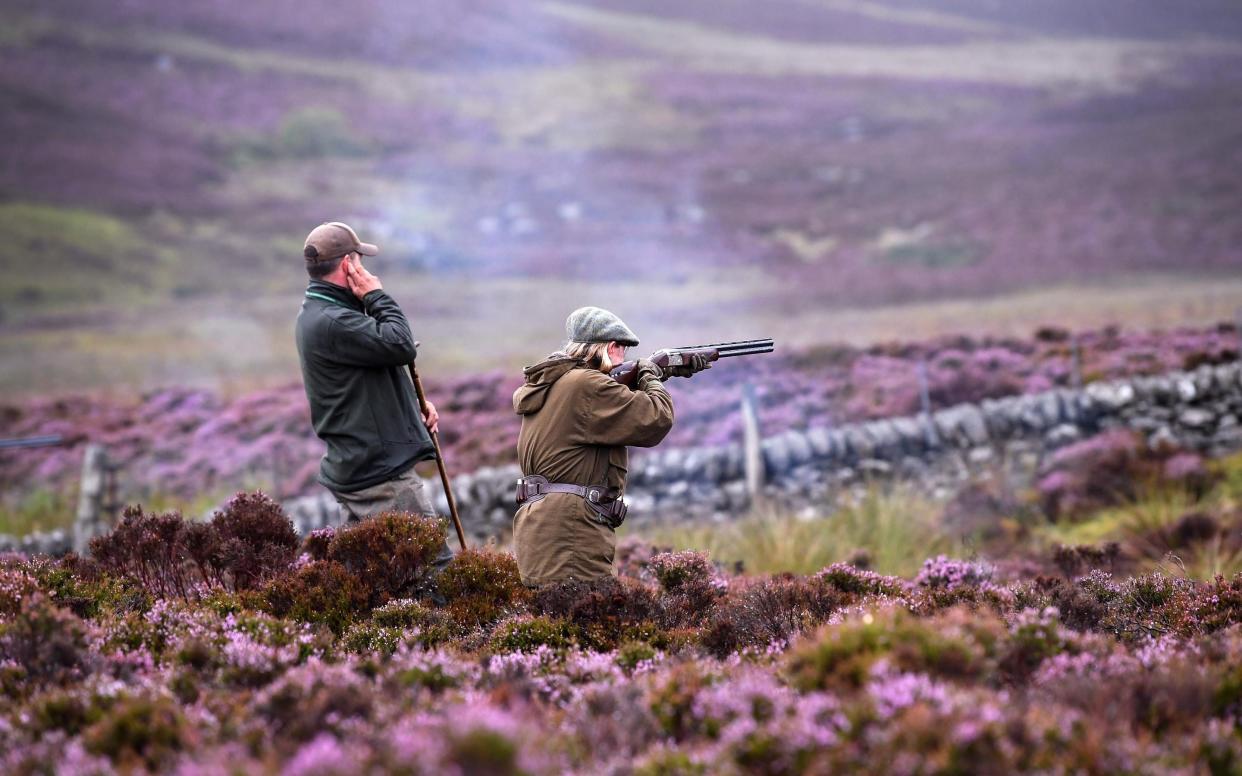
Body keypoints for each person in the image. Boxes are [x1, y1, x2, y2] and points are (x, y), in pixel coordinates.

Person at [294, 221, 453, 571]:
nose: (365, 269)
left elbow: (368, 370)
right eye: (359, 260)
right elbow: (399, 345)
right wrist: (376, 296)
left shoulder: (321, 313)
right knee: (433, 572)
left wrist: (410, 409)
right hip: (383, 480)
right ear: (349, 265)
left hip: (360, 469)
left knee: (374, 579)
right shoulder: (334, 320)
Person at [511, 306, 709, 586]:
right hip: (572, 534)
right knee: (587, 621)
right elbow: (656, 418)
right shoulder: (586, 384)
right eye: (623, 351)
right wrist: (649, 376)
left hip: (544, 531)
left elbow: (610, 409)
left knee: (560, 622)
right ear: (610, 347)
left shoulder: (557, 383)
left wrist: (655, 375)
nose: (624, 359)